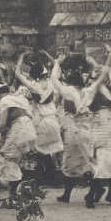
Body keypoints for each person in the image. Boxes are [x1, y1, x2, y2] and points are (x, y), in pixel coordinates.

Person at [48, 54, 96, 203]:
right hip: (88, 129)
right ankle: (74, 193)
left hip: (74, 130)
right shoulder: (88, 91)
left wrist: (57, 63)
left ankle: (76, 192)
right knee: (85, 161)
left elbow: (54, 80)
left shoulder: (69, 92)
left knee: (70, 162)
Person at [0, 82, 37, 201]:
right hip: (28, 129)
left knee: (6, 158)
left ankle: (16, 195)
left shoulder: (4, 100)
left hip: (19, 130)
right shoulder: (17, 98)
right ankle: (23, 191)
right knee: (15, 161)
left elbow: (3, 124)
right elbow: (9, 120)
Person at [16, 51, 64, 182]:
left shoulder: (34, 86)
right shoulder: (52, 82)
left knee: (40, 150)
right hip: (53, 119)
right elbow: (56, 66)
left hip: (41, 121)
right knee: (53, 148)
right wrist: (53, 58)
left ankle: (42, 177)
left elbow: (18, 74)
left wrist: (21, 57)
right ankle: (52, 175)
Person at [85, 47, 111, 206]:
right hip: (99, 126)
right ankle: (92, 194)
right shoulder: (91, 90)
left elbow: (108, 72)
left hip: (110, 126)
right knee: (100, 161)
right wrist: (110, 56)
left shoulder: (110, 89)